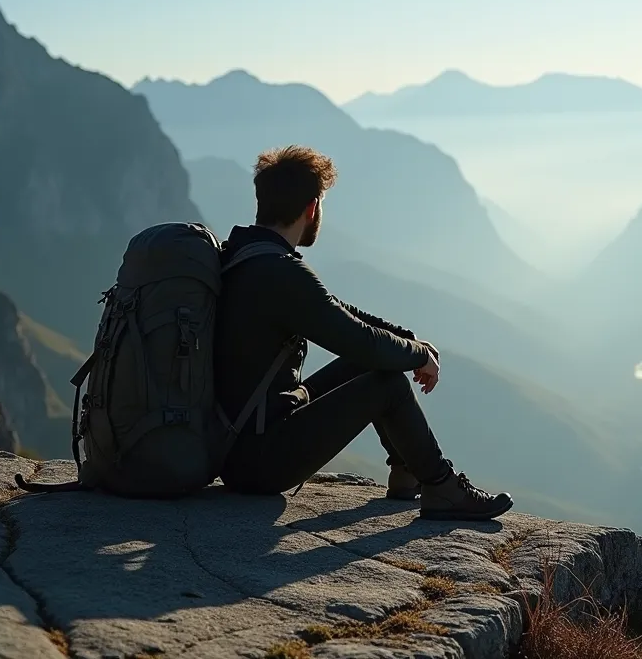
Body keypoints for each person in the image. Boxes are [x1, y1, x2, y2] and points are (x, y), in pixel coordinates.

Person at [213, 145, 513, 522]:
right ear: (311, 208)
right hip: (257, 461)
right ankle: (441, 486)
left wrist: (413, 343)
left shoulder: (243, 255)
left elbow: (339, 313)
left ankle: (407, 473)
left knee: (369, 364)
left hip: (238, 441)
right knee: (386, 383)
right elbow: (361, 341)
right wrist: (418, 355)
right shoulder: (279, 272)